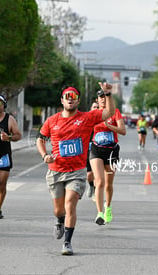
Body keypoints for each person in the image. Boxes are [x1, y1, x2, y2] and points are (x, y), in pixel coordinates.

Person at [36, 83, 115, 255]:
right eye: (67, 97)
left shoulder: (87, 118)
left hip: (77, 171)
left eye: (73, 97)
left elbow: (109, 113)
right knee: (59, 209)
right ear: (62, 100)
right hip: (56, 170)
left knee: (70, 204)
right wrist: (44, 155)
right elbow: (40, 139)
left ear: (78, 101)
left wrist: (108, 94)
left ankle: (67, 242)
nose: (70, 100)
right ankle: (59, 220)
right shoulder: (52, 121)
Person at [90, 90, 126, 225]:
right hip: (96, 150)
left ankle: (108, 207)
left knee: (108, 184)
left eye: (105, 97)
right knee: (99, 181)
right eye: (100, 98)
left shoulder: (115, 112)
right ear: (97, 100)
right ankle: (99, 213)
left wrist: (109, 126)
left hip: (112, 151)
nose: (103, 99)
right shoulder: (93, 114)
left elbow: (123, 131)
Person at [86, 101, 99, 198]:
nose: (96, 108)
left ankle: (96, 192)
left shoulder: (103, 120)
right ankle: (91, 185)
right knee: (89, 174)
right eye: (94, 107)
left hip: (99, 149)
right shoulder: (86, 119)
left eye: (97, 107)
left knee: (97, 173)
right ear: (91, 109)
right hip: (88, 148)